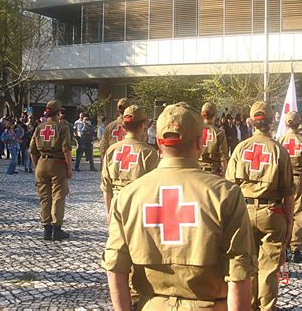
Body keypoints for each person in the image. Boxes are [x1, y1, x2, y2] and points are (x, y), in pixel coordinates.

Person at [103, 102, 257, 310]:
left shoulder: (128, 195)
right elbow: (239, 271)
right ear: (199, 142)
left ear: (158, 143)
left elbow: (115, 266)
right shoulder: (225, 193)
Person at [226, 101, 293, 310]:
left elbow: (229, 187)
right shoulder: (279, 150)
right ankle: (267, 308)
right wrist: (290, 225)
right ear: (272, 121)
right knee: (269, 268)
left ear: (251, 121)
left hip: (243, 212)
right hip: (271, 212)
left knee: (245, 265)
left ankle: (250, 305)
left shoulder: (239, 148)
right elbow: (288, 194)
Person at [101, 105, 159, 220]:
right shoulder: (148, 152)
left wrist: (109, 213)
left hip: (116, 204)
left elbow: (106, 186)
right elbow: (154, 189)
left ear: (123, 126)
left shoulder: (112, 150)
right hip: (138, 205)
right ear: (143, 125)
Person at [30, 100, 73, 241]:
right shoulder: (62, 127)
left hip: (42, 162)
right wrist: (69, 168)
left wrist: (37, 166)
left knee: (44, 197)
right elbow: (66, 149)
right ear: (58, 112)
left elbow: (32, 150)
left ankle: (46, 230)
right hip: (58, 163)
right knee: (58, 196)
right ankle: (57, 228)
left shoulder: (39, 127)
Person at [278, 111, 302, 263]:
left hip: (282, 180)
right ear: (299, 123)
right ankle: (296, 249)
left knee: (283, 212)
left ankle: (284, 247)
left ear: (286, 123)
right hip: (300, 181)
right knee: (299, 214)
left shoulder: (279, 140)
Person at [198, 102, 228, 175]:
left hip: (196, 170)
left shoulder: (195, 130)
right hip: (213, 172)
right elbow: (223, 157)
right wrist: (225, 173)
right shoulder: (219, 132)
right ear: (214, 115)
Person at [99, 98, 131, 162]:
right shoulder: (136, 126)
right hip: (129, 160)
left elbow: (103, 147)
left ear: (118, 109)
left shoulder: (110, 126)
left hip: (113, 160)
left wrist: (103, 164)